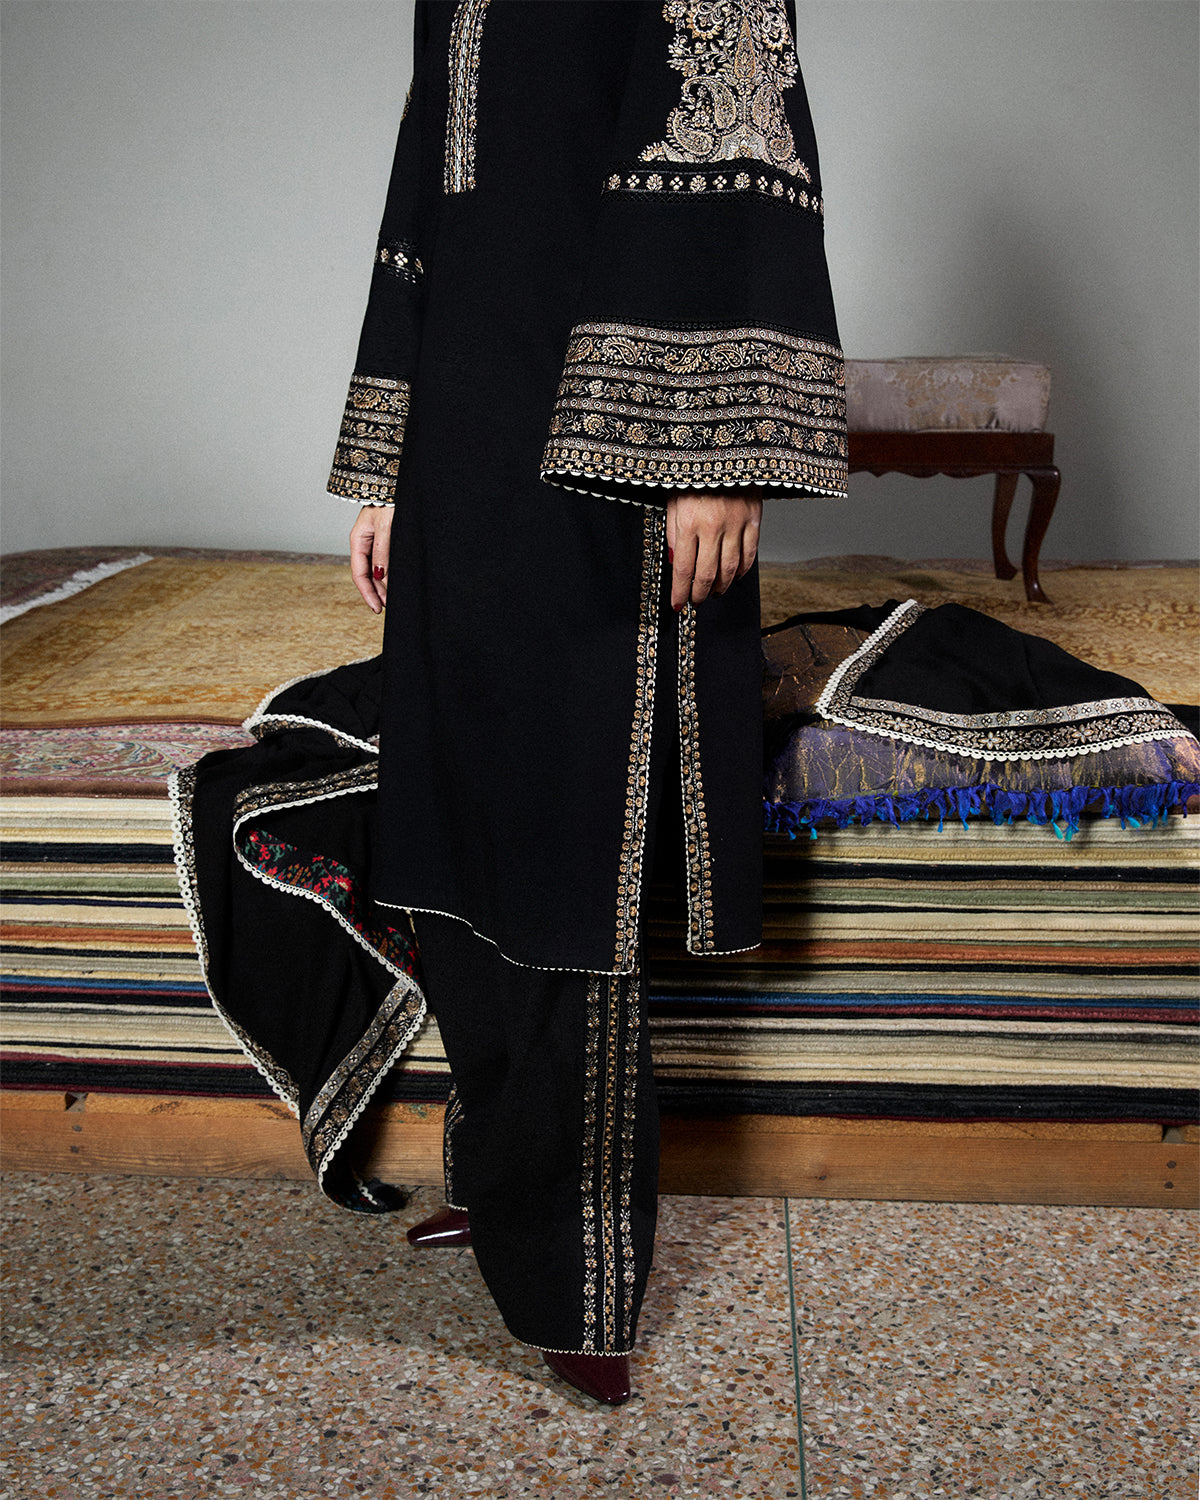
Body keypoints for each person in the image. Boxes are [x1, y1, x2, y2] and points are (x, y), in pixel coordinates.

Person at [173, 0, 845, 1408]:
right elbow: (421, 197)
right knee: (463, 823)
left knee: (564, 852)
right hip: (465, 450)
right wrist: (390, 466)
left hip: (617, 456)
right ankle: (500, 1182)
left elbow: (738, 153)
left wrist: (713, 454)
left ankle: (576, 1279)